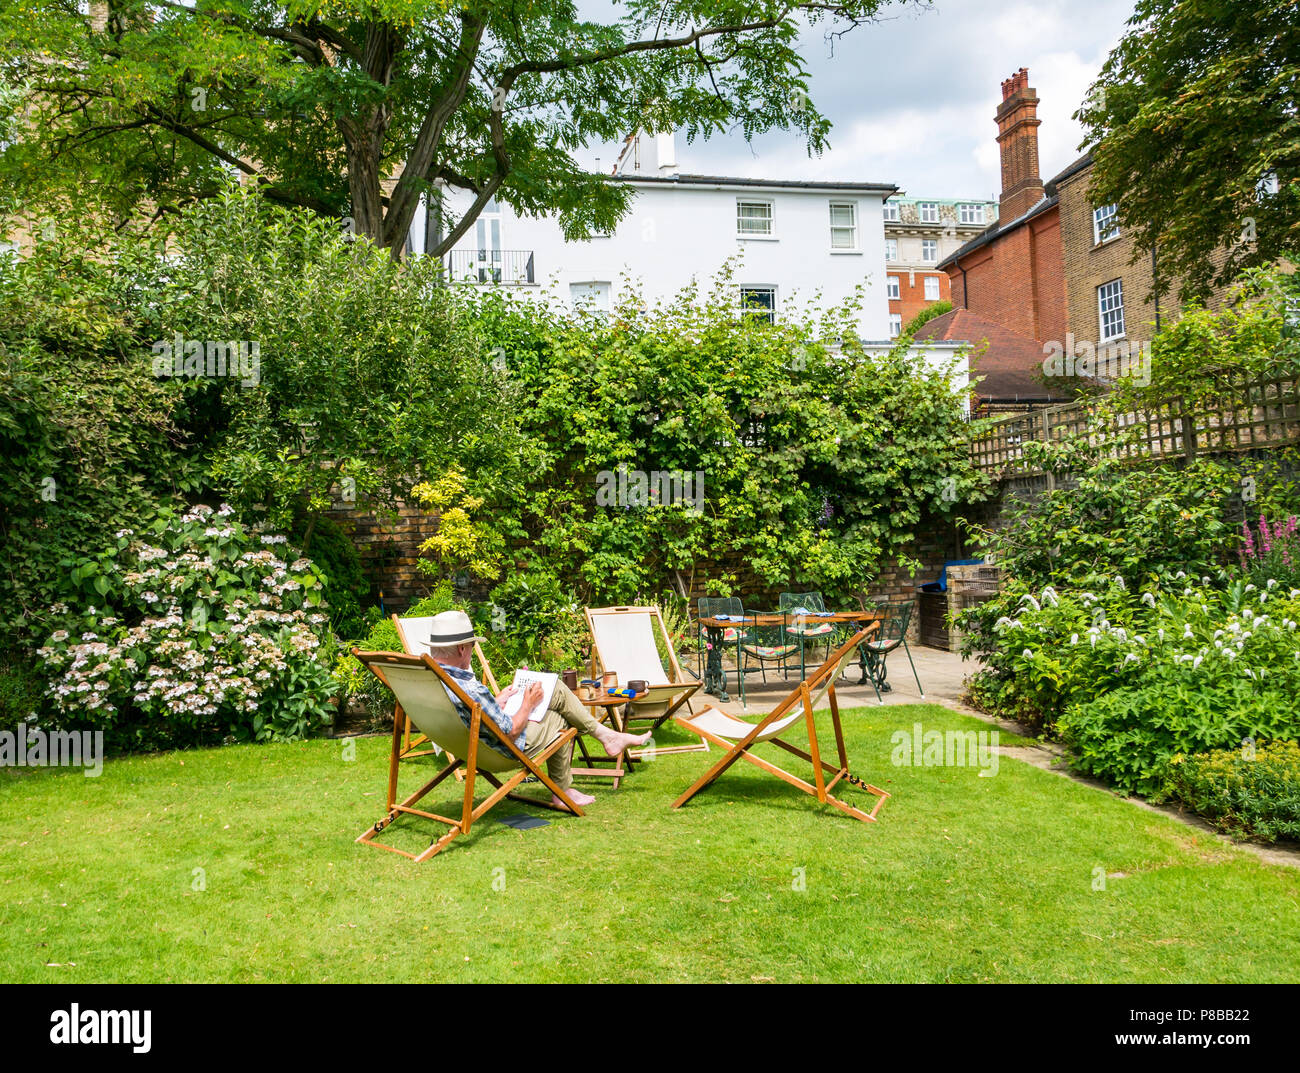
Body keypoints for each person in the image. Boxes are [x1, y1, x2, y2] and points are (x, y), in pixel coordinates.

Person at [422, 610, 649, 807]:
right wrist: (528, 703)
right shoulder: (469, 688)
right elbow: (510, 732)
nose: (472, 651)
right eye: (472, 646)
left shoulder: (432, 681)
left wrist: (494, 701)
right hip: (501, 752)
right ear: (462, 649)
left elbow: (469, 713)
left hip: (468, 747)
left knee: (555, 694)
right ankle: (566, 786)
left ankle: (606, 738)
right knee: (559, 712)